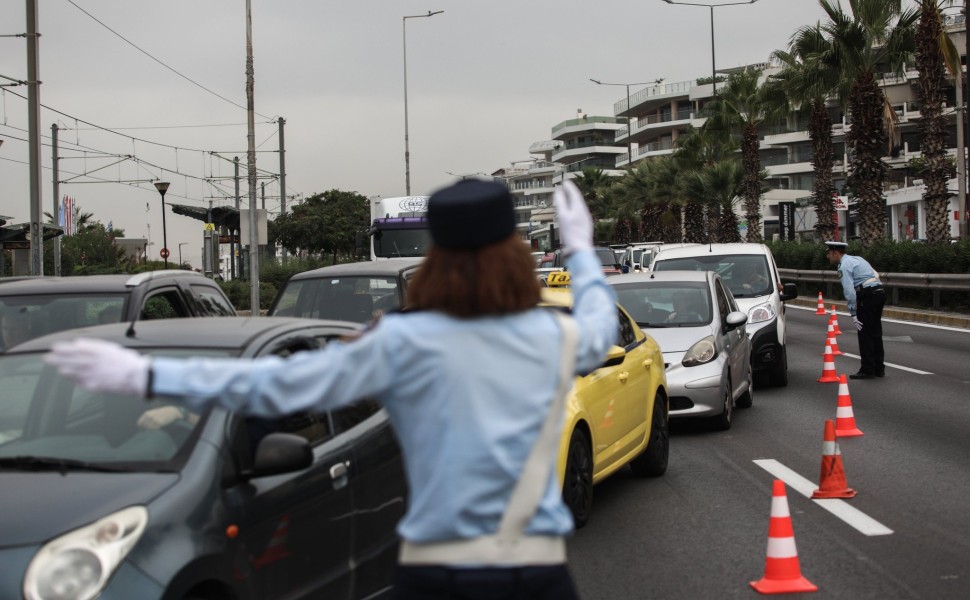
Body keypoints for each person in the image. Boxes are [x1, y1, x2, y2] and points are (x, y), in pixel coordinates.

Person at [46, 179, 617, 600]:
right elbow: (598, 325)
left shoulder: (402, 342)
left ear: (435, 257)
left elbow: (276, 386)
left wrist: (148, 375)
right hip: (536, 575)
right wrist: (582, 251)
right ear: (514, 255)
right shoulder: (551, 336)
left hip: (436, 575)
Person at [825, 240, 885, 379]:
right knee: (876, 331)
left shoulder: (844, 266)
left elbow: (849, 291)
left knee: (864, 333)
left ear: (835, 253)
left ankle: (867, 369)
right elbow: (875, 275)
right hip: (879, 293)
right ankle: (878, 368)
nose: (828, 257)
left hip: (867, 296)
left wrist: (853, 313)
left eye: (829, 254)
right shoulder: (858, 259)